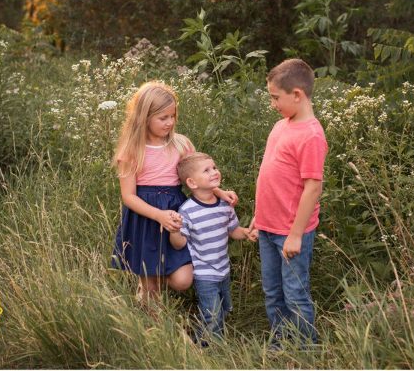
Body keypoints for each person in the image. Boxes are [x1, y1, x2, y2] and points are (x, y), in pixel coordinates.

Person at [111, 81, 238, 302]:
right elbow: (128, 196)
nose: (170, 122)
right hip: (145, 218)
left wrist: (219, 192)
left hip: (177, 214)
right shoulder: (132, 151)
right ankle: (153, 314)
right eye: (163, 118)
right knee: (149, 282)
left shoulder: (181, 144)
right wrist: (158, 215)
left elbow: (198, 174)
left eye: (172, 116)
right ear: (144, 117)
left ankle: (150, 288)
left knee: (182, 280)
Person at [248, 58, 328, 346]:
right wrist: (259, 215)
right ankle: (281, 343)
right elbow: (267, 174)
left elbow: (312, 188)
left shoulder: (311, 136)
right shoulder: (282, 126)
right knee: (272, 291)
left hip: (291, 233)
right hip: (269, 226)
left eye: (275, 97)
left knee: (295, 292)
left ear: (297, 94)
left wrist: (295, 235)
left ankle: (307, 350)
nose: (273, 104)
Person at [169, 152, 250, 343]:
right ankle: (209, 348)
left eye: (214, 167)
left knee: (222, 310)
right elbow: (179, 243)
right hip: (204, 273)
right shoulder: (187, 210)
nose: (214, 172)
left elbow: (234, 230)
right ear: (192, 183)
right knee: (212, 314)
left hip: (223, 269)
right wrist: (175, 230)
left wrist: (247, 233)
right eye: (207, 170)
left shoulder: (225, 204)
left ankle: (200, 338)